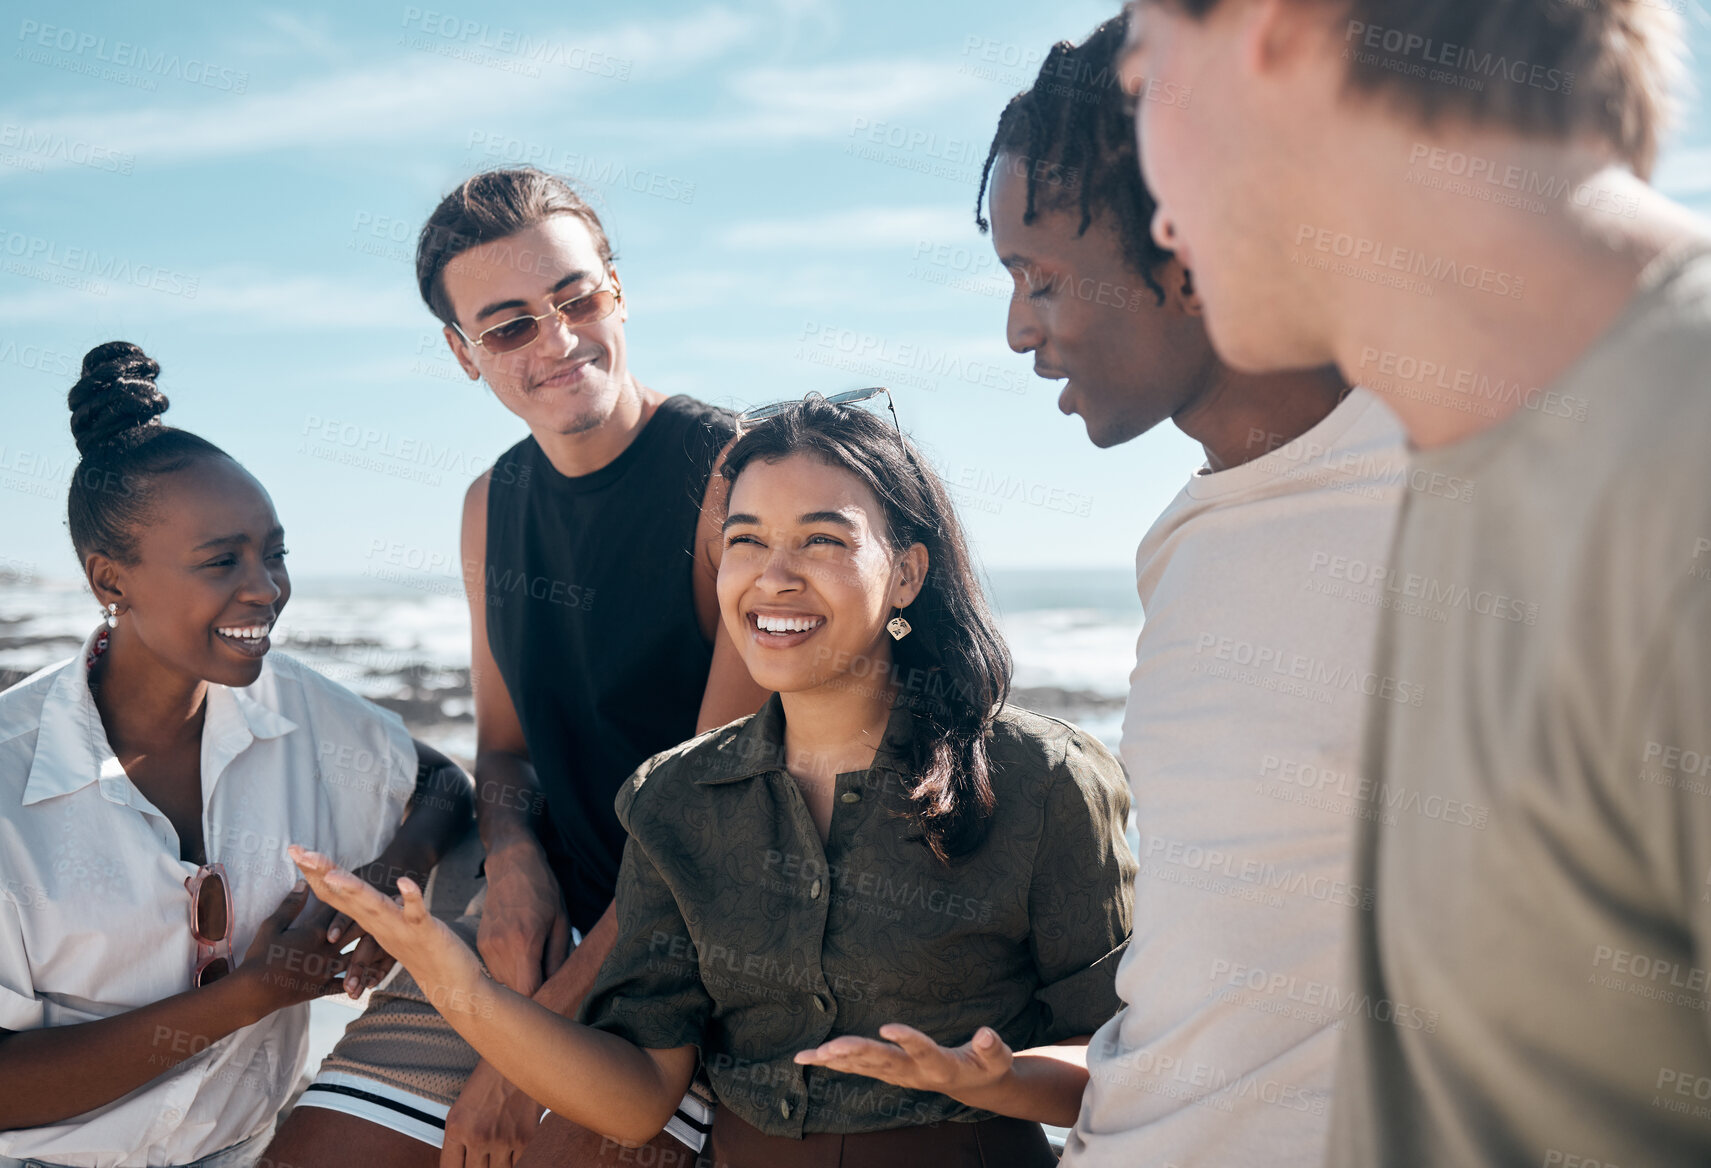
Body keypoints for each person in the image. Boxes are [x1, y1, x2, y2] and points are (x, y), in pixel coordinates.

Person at [1118, 1, 1711, 1164]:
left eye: (1144, 80)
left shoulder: (1675, 466)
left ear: (1268, 26)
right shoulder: (1461, 462)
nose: (1146, 187)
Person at [288, 393, 1137, 1167]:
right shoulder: (675, 799)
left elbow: (1117, 1054)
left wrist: (987, 1081)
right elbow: (636, 1100)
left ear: (907, 571)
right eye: (745, 541)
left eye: (822, 539)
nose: (774, 575)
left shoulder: (1043, 779)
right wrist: (456, 986)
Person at [265, 168, 769, 1168]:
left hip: (697, 937)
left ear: (615, 290)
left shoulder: (736, 480)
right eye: (507, 327)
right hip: (547, 917)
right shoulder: (490, 504)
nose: (558, 340)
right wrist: (514, 866)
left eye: (576, 298)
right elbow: (503, 745)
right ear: (463, 354)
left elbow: (709, 812)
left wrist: (521, 1043)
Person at [975, 14, 1407, 1165]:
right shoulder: (1182, 544)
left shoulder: (1458, 479)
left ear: (1184, 239)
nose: (1019, 328)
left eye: (1041, 275)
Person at [0, 342, 472, 1168]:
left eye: (274, 552)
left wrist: (391, 877)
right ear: (110, 579)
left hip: (252, 1150)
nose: (266, 588)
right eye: (222, 561)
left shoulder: (293, 704)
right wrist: (255, 996)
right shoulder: (11, 779)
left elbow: (437, 780)